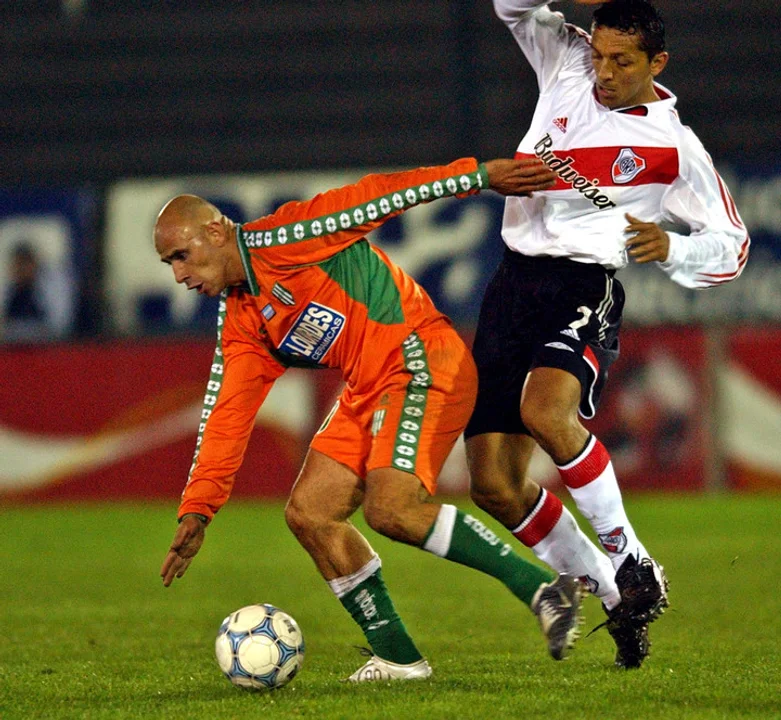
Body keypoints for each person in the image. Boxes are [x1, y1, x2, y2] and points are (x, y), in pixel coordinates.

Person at [156, 156, 592, 682]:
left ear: (215, 231)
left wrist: (478, 177)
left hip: (419, 358)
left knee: (393, 508)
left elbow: (379, 194)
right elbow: (226, 416)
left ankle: (544, 590)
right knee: (311, 513)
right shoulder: (242, 320)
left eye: (181, 255)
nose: (178, 274)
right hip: (369, 387)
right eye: (169, 263)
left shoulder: (287, 238)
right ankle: (398, 658)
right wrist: (198, 510)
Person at [464, 0, 749, 669]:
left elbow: (731, 245)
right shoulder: (564, 60)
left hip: (580, 284)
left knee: (545, 413)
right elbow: (510, 6)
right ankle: (619, 593)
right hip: (510, 286)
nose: (604, 72)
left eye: (621, 61)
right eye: (598, 55)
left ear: (657, 63)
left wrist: (674, 249)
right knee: (493, 485)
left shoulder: (674, 146)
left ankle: (631, 558)